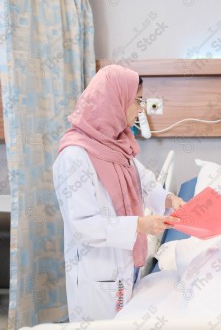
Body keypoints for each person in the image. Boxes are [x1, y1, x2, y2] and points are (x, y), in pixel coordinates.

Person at [52, 64, 185, 321]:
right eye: (137, 101)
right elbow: (83, 226)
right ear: (114, 101)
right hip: (96, 271)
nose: (140, 108)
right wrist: (139, 225)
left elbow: (144, 182)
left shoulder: (117, 146)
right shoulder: (75, 156)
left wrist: (169, 199)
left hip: (124, 266)